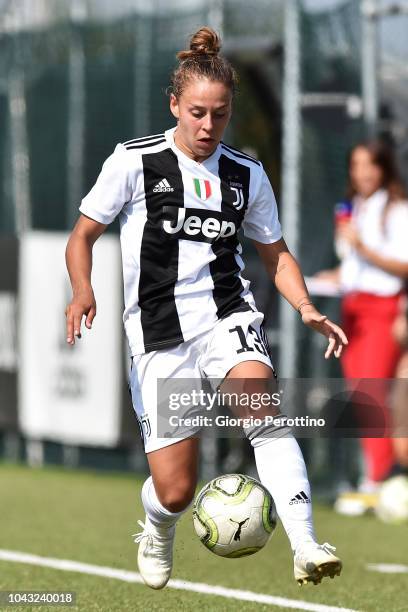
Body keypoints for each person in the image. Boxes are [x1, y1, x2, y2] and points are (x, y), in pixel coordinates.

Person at [65, 27, 347, 589]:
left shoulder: (246, 173)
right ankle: (157, 525)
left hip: (228, 317)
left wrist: (306, 306)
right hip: (159, 331)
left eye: (219, 115)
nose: (207, 126)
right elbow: (82, 236)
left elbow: (276, 254)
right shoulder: (134, 162)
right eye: (196, 112)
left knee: (264, 415)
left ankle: (307, 546)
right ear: (174, 104)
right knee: (175, 490)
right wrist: (82, 288)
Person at [317, 141, 408, 514]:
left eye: (369, 165)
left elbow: (401, 266)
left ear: (384, 168)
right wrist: (335, 275)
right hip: (352, 307)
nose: (362, 173)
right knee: (359, 395)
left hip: (381, 310)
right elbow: (356, 267)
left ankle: (381, 479)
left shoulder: (398, 210)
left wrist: (363, 247)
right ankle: (374, 475)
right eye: (356, 165)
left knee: (373, 394)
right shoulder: (355, 209)